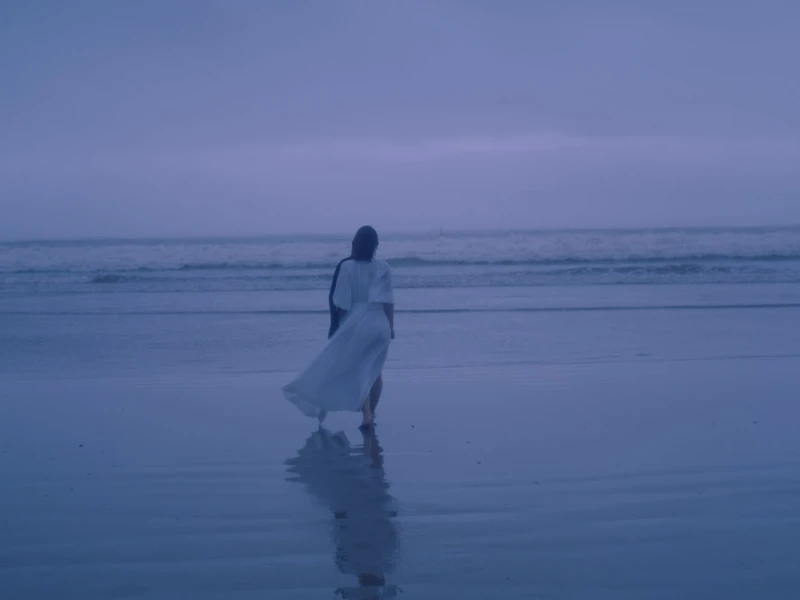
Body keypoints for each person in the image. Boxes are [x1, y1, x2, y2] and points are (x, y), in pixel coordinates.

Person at [283, 226, 395, 429]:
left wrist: (340, 328)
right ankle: (371, 414)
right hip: (380, 324)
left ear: (355, 243)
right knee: (375, 370)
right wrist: (391, 328)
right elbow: (388, 301)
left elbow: (341, 303)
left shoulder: (347, 267)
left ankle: (366, 414)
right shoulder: (384, 267)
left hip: (358, 322)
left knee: (357, 369)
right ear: (375, 246)